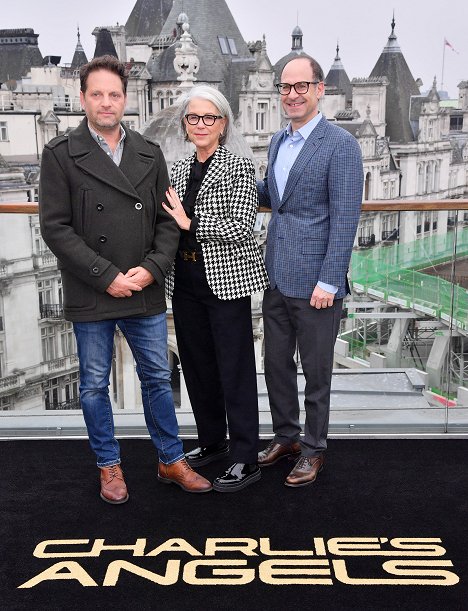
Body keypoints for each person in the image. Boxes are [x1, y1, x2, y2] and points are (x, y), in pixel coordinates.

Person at [39, 55, 212, 504]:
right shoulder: (60, 154)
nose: (106, 102)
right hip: (93, 288)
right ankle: (108, 466)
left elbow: (169, 221)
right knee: (95, 384)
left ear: (126, 99)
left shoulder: (149, 154)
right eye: (96, 94)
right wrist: (106, 276)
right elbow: (55, 227)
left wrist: (152, 269)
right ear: (82, 99)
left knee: (156, 376)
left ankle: (170, 458)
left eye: (114, 94)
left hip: (142, 287)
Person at [257, 56, 363, 487]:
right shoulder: (277, 142)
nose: (293, 94)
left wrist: (330, 280)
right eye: (285, 87)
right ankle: (287, 436)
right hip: (277, 275)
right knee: (275, 365)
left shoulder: (340, 144)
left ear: (320, 89)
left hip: (317, 282)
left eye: (302, 86)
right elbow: (273, 197)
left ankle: (314, 448)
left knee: (317, 373)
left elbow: (345, 218)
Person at [162, 85, 269, 493]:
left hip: (226, 283)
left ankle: (245, 458)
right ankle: (211, 442)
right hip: (185, 279)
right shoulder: (179, 168)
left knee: (235, 370)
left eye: (210, 118)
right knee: (197, 366)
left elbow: (242, 227)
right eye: (194, 118)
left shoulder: (239, 166)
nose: (201, 125)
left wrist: (191, 224)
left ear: (223, 124)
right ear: (185, 125)